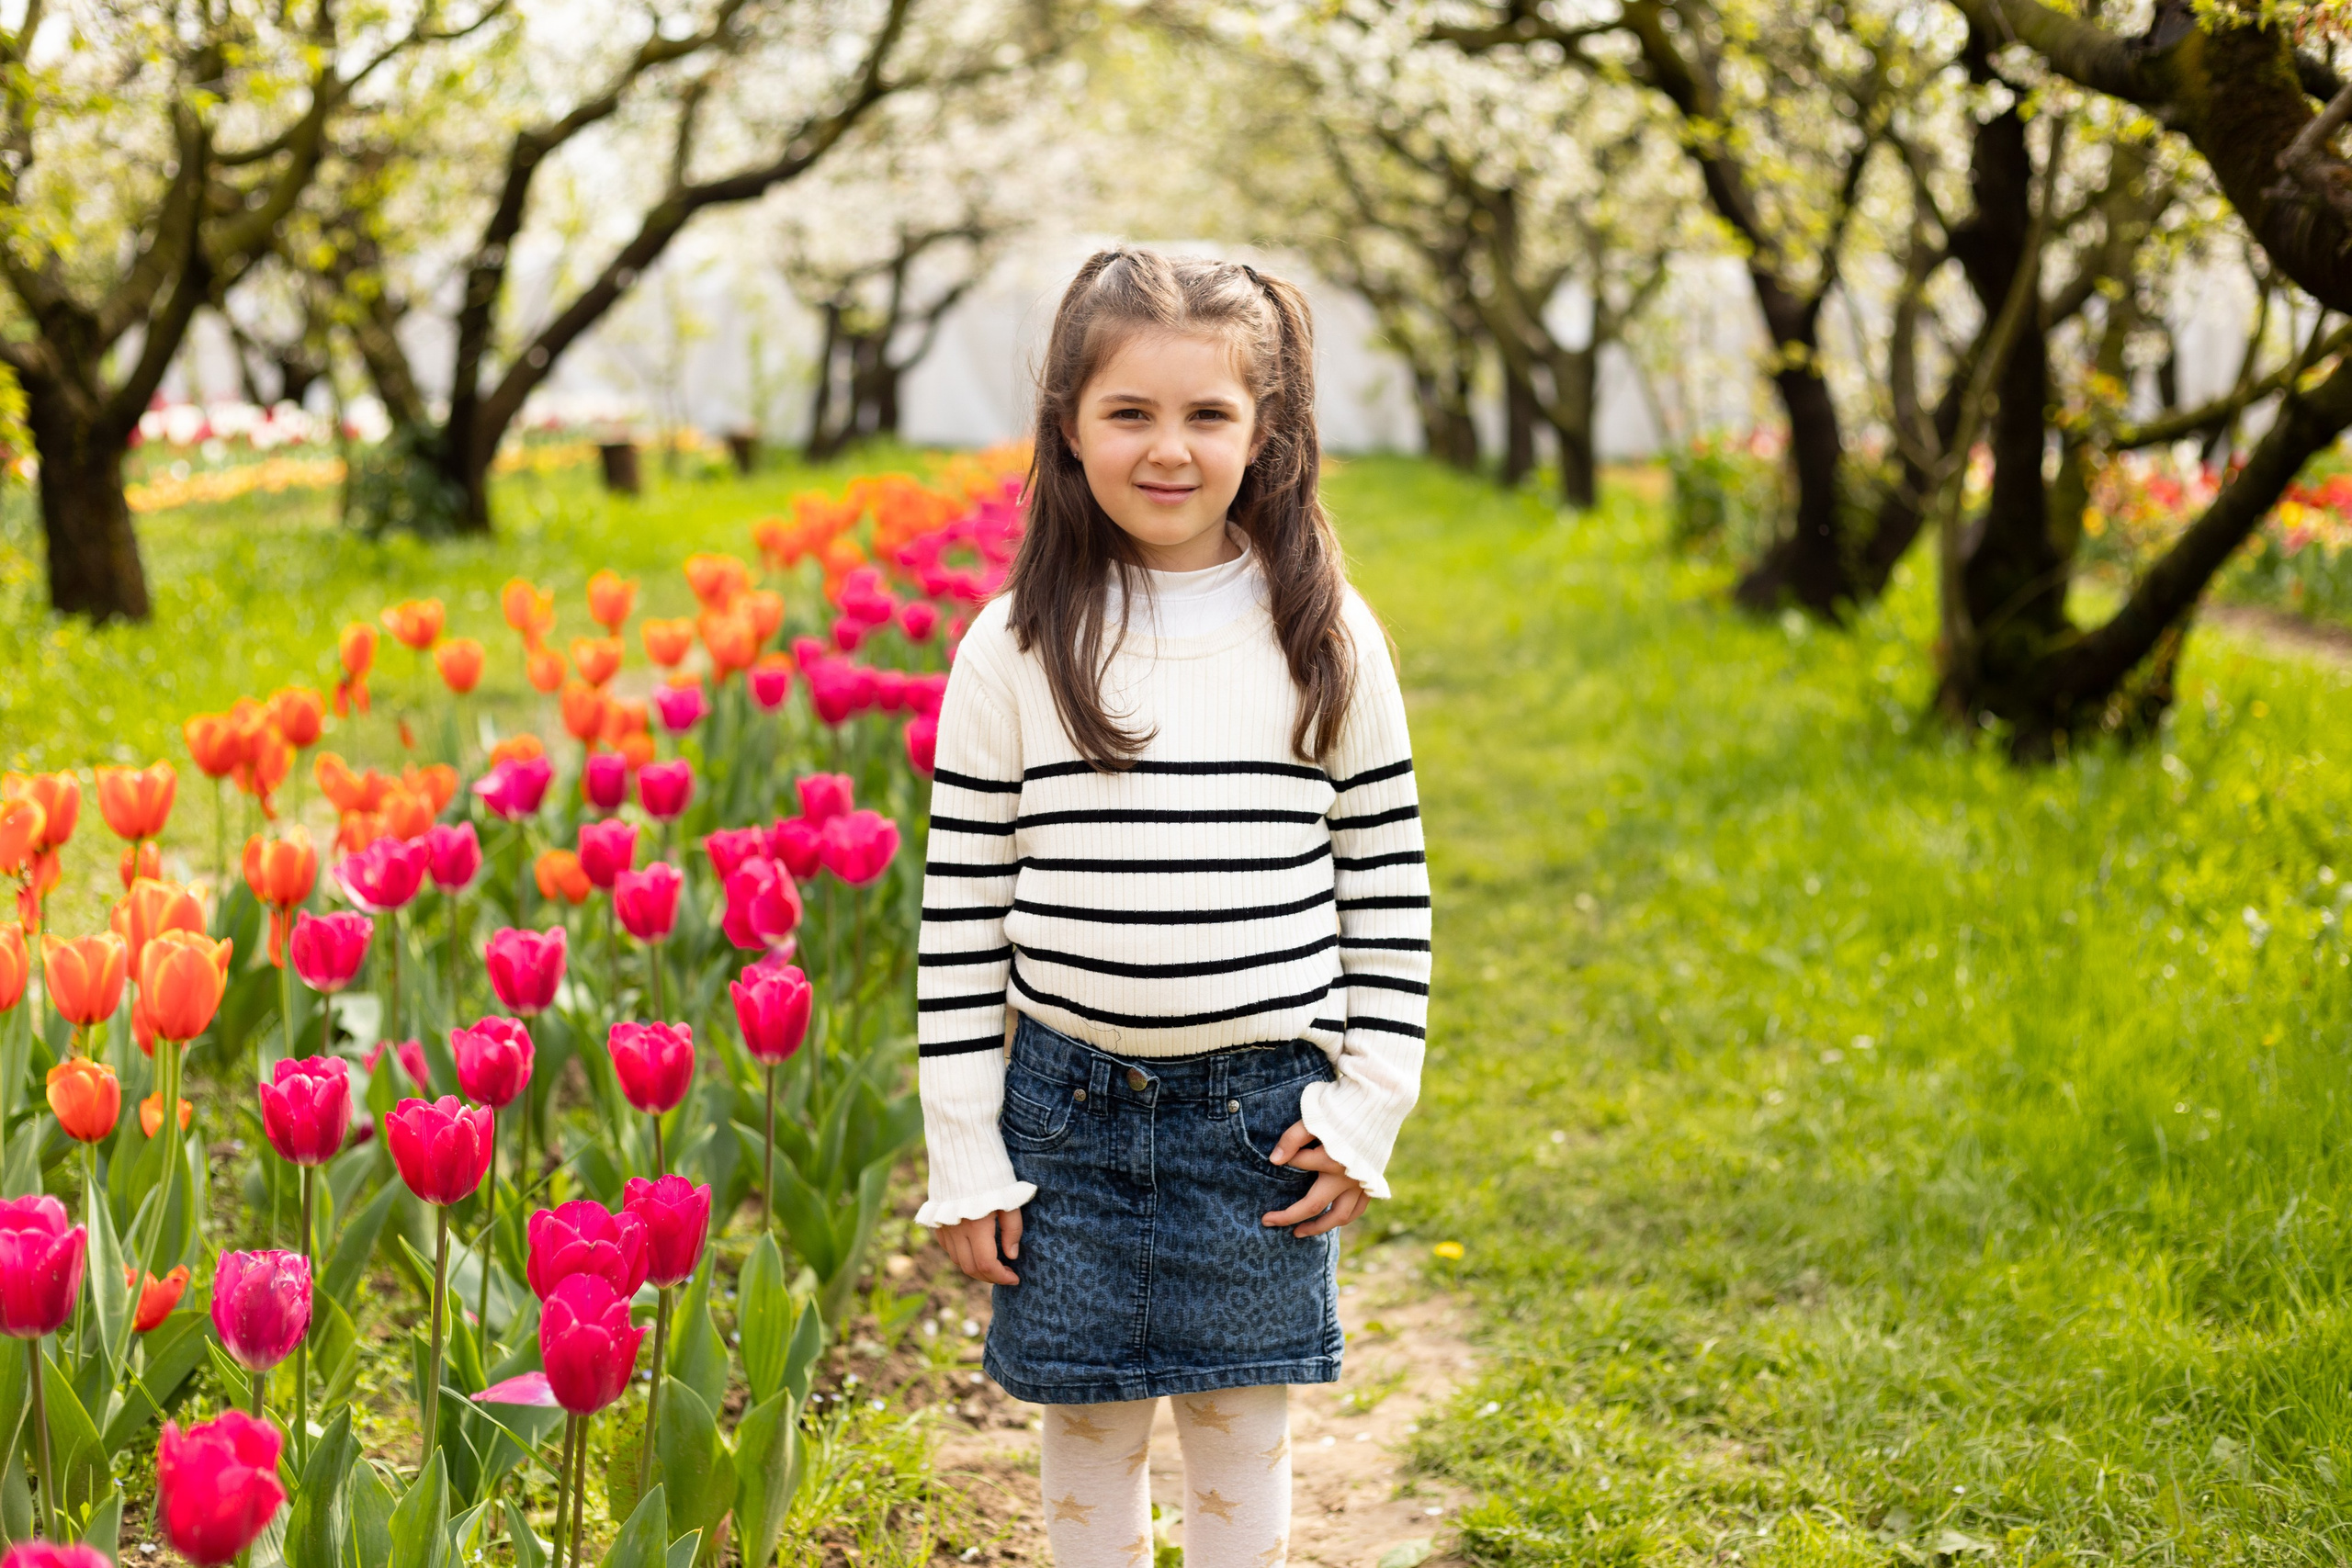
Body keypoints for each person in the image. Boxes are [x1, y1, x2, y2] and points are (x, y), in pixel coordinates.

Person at [914, 247, 1432, 1568]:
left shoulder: (1322, 631)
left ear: (1268, 432)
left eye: (1208, 414)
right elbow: (964, 911)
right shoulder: (1017, 643)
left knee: (1239, 1423)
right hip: (1067, 1116)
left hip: (1258, 1124)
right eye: (1128, 413)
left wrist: (1368, 1100)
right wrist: (967, 1149)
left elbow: (1383, 874)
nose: (1169, 449)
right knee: (1086, 1435)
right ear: (1068, 427)